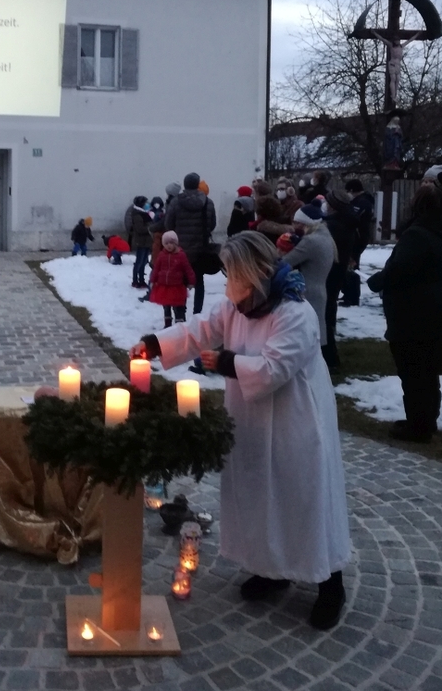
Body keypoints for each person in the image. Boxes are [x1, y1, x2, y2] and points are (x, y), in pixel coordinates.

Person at [130, 231, 351, 629]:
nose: (229, 285)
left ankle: (329, 582)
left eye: (234, 276)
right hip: (250, 418)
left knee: (301, 496)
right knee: (258, 494)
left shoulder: (295, 314)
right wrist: (155, 345)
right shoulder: (236, 306)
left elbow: (274, 368)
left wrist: (227, 363)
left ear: (257, 274)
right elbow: (200, 329)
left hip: (295, 420)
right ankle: (271, 569)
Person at [367, 185, 442, 443]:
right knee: (429, 370)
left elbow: (400, 269)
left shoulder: (418, 234)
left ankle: (418, 426)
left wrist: (377, 281)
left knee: (414, 370)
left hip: (414, 311)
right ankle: (426, 419)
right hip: (440, 309)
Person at [281, 202, 335, 352]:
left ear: (304, 223)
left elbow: (285, 262)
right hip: (319, 288)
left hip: (306, 291)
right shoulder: (325, 236)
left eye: (296, 222)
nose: (293, 226)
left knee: (306, 335)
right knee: (317, 333)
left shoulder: (310, 241)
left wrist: (282, 250)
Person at [165, 172, 216, 315]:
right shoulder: (208, 202)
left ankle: (180, 313)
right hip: (200, 249)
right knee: (199, 282)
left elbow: (168, 224)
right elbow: (212, 224)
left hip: (179, 250)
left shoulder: (176, 202)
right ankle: (197, 313)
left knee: (179, 282)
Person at [322, 191, 358, 369]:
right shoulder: (347, 222)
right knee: (329, 312)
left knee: (325, 316)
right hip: (337, 271)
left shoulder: (334, 226)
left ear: (333, 206)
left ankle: (330, 358)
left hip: (329, 272)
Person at [149, 231, 195, 327]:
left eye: (171, 243)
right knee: (166, 305)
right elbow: (156, 268)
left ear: (175, 243)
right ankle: (167, 323)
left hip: (177, 286)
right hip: (164, 286)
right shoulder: (161, 255)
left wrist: (191, 281)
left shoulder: (181, 255)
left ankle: (180, 323)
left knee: (178, 305)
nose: (169, 245)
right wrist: (153, 280)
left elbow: (187, 269)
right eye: (166, 243)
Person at [340, 179, 375, 307]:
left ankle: (352, 297)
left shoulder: (362, 203)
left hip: (357, 239)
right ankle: (348, 294)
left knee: (352, 267)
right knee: (348, 267)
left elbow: (354, 218)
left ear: (352, 190)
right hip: (356, 237)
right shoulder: (360, 201)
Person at [130, 196, 153, 289]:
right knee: (139, 262)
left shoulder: (144, 213)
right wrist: (150, 228)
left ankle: (142, 280)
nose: (147, 204)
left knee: (143, 262)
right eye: (145, 203)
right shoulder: (137, 215)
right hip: (141, 241)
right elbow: (140, 229)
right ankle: (135, 280)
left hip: (146, 241)